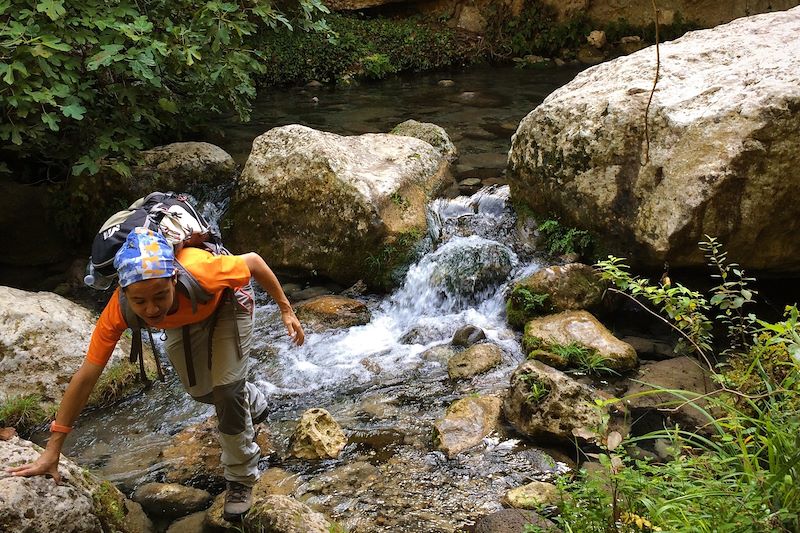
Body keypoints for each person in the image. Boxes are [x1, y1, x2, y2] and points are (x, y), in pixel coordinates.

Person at [6, 227, 304, 522]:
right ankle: (249, 398)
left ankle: (240, 479)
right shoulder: (119, 311)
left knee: (226, 392)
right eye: (140, 301)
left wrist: (286, 309)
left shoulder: (202, 270)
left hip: (227, 303)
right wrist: (52, 451)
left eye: (160, 295)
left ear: (174, 278)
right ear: (124, 292)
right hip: (181, 318)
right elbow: (87, 376)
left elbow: (253, 261)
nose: (151, 309)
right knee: (202, 391)